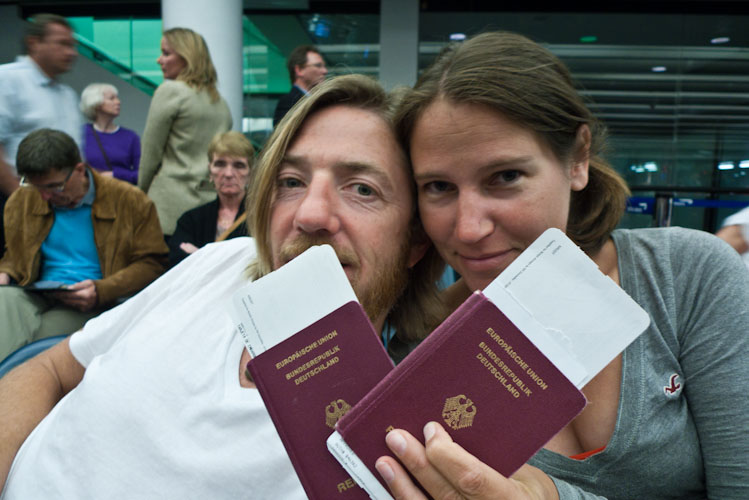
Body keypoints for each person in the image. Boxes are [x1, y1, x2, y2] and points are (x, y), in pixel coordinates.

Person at [0, 74, 445, 498]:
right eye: (290, 182)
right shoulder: (222, 263)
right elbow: (53, 369)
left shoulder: (389, 438)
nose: (309, 215)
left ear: (415, 242)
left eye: (362, 189)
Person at [374, 32, 749, 500]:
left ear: (578, 159)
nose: (468, 228)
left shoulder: (684, 277)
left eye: (506, 177)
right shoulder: (421, 353)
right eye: (438, 187)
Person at [0, 129, 168, 362]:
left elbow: (152, 264)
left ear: (80, 170)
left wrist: (102, 289)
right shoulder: (22, 201)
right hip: (35, 290)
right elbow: (14, 254)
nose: (45, 196)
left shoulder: (130, 201)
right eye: (37, 187)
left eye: (54, 187)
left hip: (91, 300)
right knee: (3, 301)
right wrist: (6, 272)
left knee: (41, 338)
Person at [137, 27, 232, 238]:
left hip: (168, 208)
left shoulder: (170, 91)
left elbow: (151, 153)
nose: (159, 60)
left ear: (187, 57)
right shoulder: (220, 102)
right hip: (208, 207)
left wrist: (139, 194)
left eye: (166, 53)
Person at [0, 13, 82, 256]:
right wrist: (21, 201)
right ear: (35, 43)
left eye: (73, 45)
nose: (72, 52)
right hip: (15, 200)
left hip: (60, 206)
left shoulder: (67, 94)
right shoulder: (7, 79)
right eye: (63, 44)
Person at [169, 131, 254, 267]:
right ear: (210, 171)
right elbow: (177, 263)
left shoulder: (264, 218)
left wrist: (199, 256)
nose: (228, 174)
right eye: (220, 164)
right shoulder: (190, 220)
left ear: (250, 173)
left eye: (238, 165)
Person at [80, 83, 141, 185]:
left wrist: (114, 175)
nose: (118, 102)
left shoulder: (130, 137)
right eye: (112, 98)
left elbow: (141, 175)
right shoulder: (81, 133)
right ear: (96, 104)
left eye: (117, 98)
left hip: (120, 196)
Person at [272, 45, 328, 127]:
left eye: (324, 66)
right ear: (299, 70)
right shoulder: (288, 102)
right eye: (318, 65)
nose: (325, 71)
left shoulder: (319, 99)